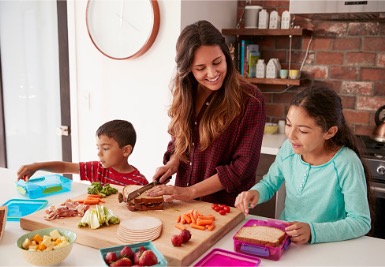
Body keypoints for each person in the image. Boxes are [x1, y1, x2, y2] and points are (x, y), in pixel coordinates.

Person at [146, 20, 266, 207]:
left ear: (226, 55)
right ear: (188, 70)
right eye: (200, 68)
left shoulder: (250, 99)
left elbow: (242, 168)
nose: (212, 73)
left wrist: (190, 191)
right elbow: (180, 140)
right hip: (183, 205)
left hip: (224, 208)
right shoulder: (186, 93)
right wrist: (173, 162)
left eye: (217, 62)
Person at [235, 85, 373, 244]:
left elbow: (360, 221)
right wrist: (255, 193)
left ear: (329, 132)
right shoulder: (288, 149)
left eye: (303, 130)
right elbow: (269, 183)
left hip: (327, 246)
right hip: (288, 241)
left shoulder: (346, 163)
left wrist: (313, 232)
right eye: (288, 124)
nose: (291, 135)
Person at [17, 119, 148, 186]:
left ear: (126, 150)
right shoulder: (97, 169)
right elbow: (64, 166)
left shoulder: (139, 182)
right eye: (98, 148)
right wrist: (38, 166)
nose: (99, 154)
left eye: (105, 148)